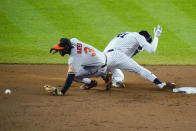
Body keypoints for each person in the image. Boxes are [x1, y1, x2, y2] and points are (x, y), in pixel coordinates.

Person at [104, 25, 176, 90]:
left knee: (119, 76)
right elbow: (152, 50)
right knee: (139, 69)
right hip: (116, 54)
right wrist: (156, 37)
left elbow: (126, 56)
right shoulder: (139, 37)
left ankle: (113, 80)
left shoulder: (128, 35)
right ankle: (160, 84)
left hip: (104, 57)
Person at [45, 38, 112, 96]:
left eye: (61, 49)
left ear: (66, 48)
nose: (60, 51)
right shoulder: (73, 41)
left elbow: (70, 77)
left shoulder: (75, 58)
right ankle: (101, 75)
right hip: (100, 56)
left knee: (74, 76)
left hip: (99, 66)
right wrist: (57, 48)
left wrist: (62, 92)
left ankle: (101, 76)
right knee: (80, 65)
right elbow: (70, 39)